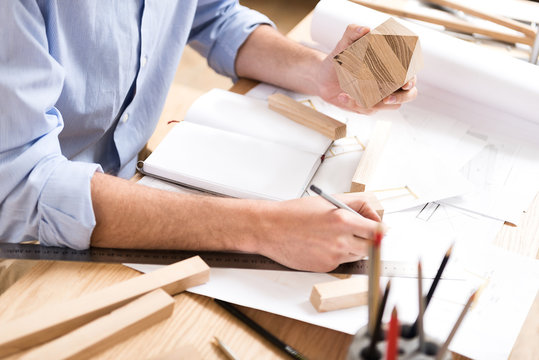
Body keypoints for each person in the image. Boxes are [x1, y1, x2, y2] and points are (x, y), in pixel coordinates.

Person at [0, 0, 417, 276]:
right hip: (26, 238)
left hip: (126, 186)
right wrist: (265, 227)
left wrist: (319, 73)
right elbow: (23, 187)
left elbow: (216, 17)